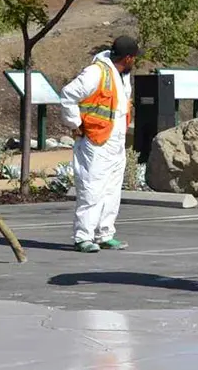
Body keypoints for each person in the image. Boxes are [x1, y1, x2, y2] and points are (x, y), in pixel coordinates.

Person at [59, 36, 140, 253]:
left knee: (112, 191)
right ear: (129, 57)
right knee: (91, 189)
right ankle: (83, 237)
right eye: (134, 59)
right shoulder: (96, 72)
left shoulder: (122, 76)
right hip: (95, 141)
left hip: (115, 142)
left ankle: (105, 234)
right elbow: (68, 94)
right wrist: (75, 123)